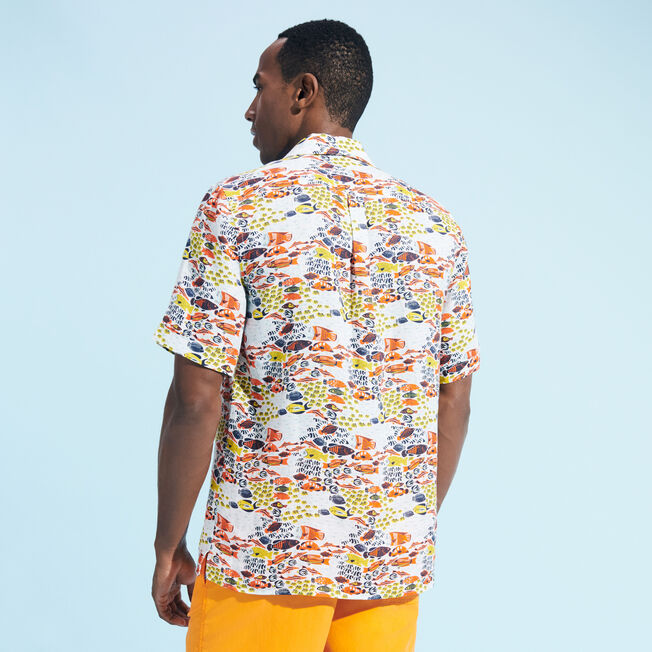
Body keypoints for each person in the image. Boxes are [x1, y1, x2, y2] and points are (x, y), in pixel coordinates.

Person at [151, 18, 480, 652]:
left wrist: (169, 545)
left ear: (303, 91)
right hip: (388, 567)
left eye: (260, 87)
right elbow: (455, 400)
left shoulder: (235, 207)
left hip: (262, 559)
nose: (250, 109)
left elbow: (195, 399)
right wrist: (396, 530)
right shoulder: (437, 226)